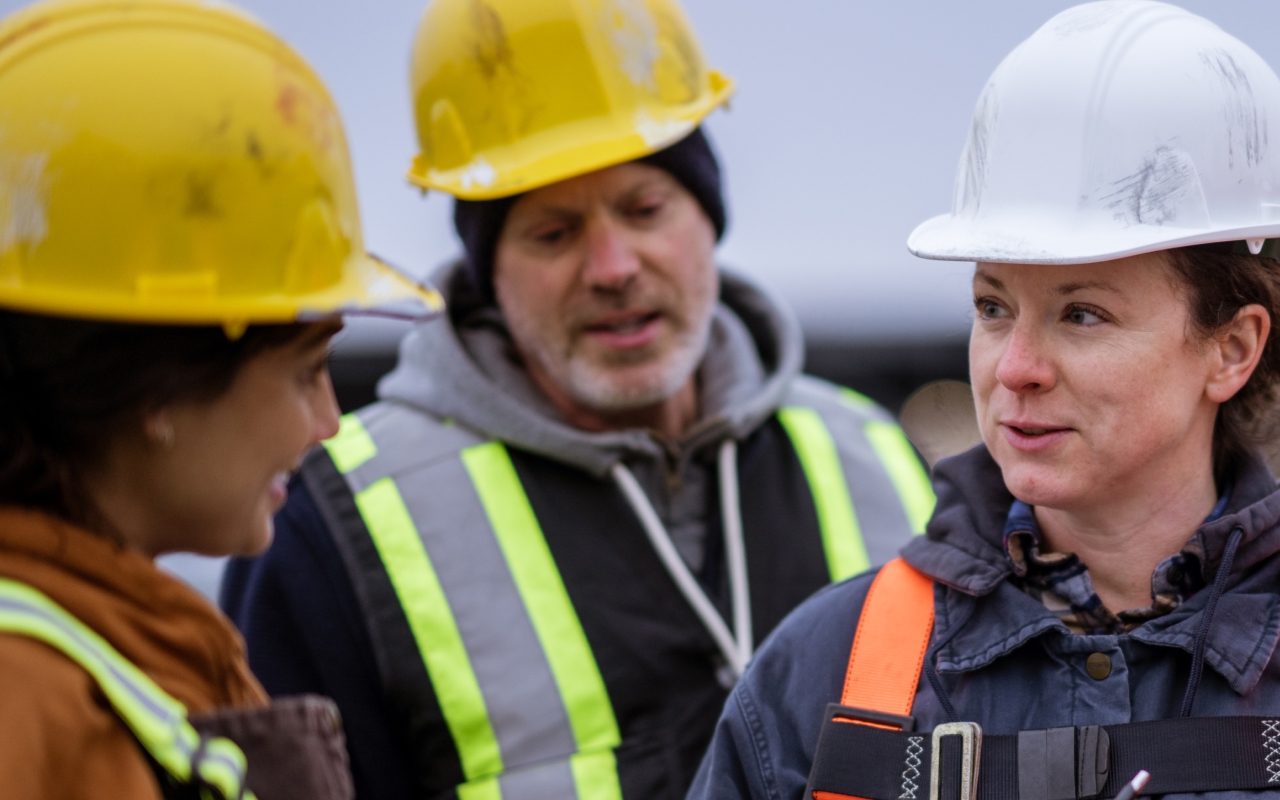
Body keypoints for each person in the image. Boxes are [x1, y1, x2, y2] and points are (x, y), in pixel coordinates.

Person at [220, 0, 935, 797]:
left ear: (709, 218)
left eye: (644, 209)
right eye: (553, 233)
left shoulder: (875, 458)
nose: (612, 267)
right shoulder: (334, 520)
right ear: (489, 272)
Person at [689, 3, 1280, 800]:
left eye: (1083, 314)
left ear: (1232, 348)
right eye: (993, 307)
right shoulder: (830, 672)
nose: (1017, 368)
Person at [0, 1, 441, 798]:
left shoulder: (119, 641)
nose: (330, 423)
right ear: (157, 386)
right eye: (306, 372)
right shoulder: (26, 700)